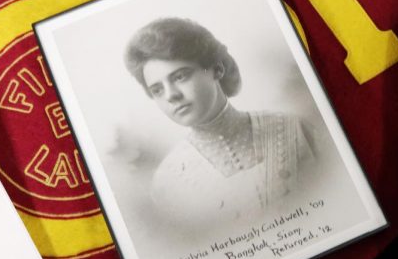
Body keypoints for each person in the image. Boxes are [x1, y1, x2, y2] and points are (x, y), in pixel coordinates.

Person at [123, 17, 315, 225]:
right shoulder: (167, 181)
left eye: (180, 76)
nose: (170, 95)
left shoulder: (294, 128)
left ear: (216, 69)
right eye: (157, 90)